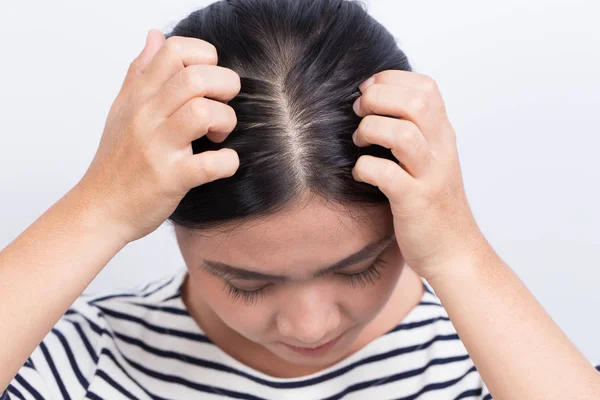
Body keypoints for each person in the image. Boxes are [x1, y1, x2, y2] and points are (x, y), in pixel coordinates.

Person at [1, 0, 599, 398]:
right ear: (167, 220)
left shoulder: (499, 363)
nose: (309, 325)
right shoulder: (85, 361)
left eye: (362, 266)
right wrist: (96, 208)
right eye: (249, 283)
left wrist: (460, 254)